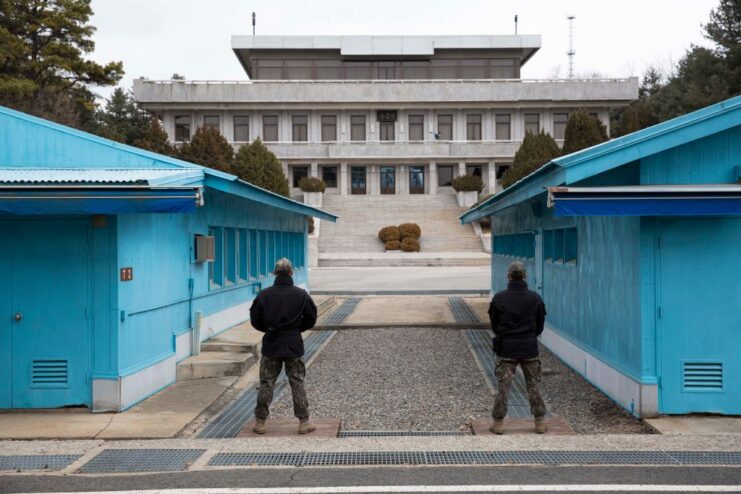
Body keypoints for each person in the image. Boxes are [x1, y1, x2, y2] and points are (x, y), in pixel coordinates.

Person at [250, 258, 318, 434]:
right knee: (297, 382)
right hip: (293, 344)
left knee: (266, 383)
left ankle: (260, 422)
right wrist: (296, 329)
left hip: (271, 344)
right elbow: (311, 318)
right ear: (291, 273)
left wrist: (269, 329)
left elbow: (255, 320)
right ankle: (304, 422)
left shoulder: (264, 295)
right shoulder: (301, 295)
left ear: (274, 273)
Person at [488, 261, 548, 434]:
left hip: (506, 349)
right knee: (534, 386)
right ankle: (539, 422)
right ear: (525, 277)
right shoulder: (535, 298)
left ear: (508, 277)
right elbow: (540, 324)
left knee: (503, 388)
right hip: (529, 348)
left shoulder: (499, 298)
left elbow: (494, 324)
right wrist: (529, 336)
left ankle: (498, 423)